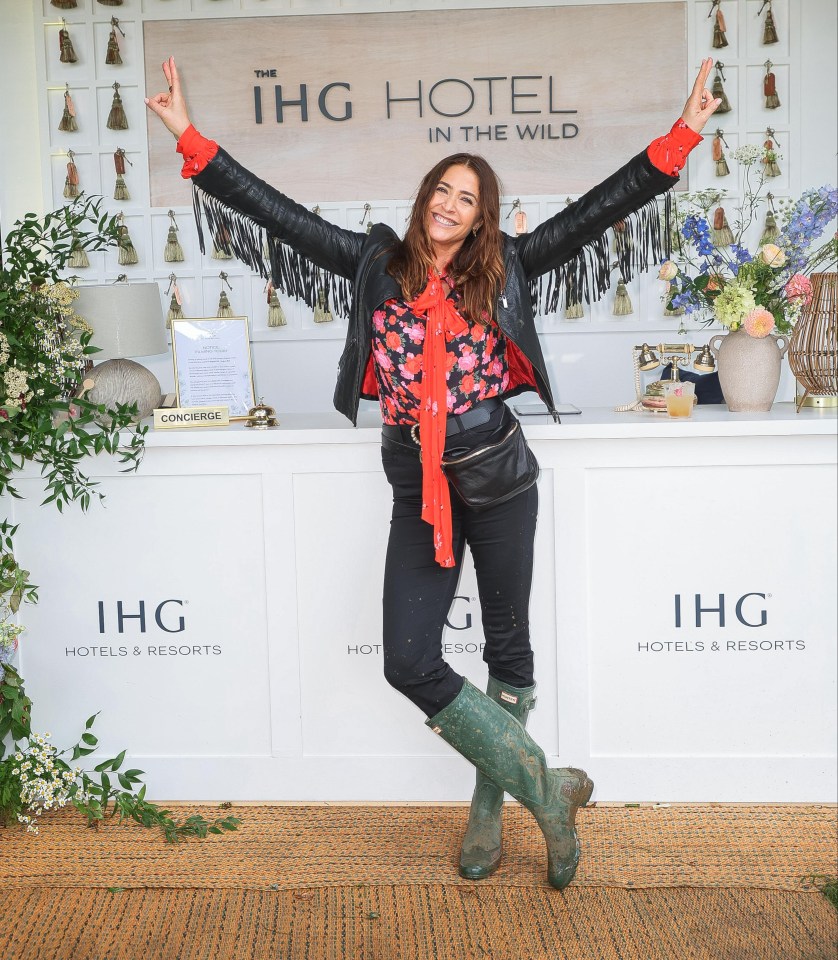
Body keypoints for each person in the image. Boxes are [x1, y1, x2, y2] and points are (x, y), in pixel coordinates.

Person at [146, 57, 719, 890]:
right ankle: (544, 787)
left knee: (508, 649)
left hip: (498, 475)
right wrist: (189, 137)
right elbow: (272, 211)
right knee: (409, 660)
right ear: (422, 199)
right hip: (416, 484)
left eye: (467, 197)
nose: (449, 205)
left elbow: (601, 212)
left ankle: (491, 811)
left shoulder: (506, 267)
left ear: (481, 216)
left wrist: (684, 133)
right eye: (440, 190)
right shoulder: (375, 263)